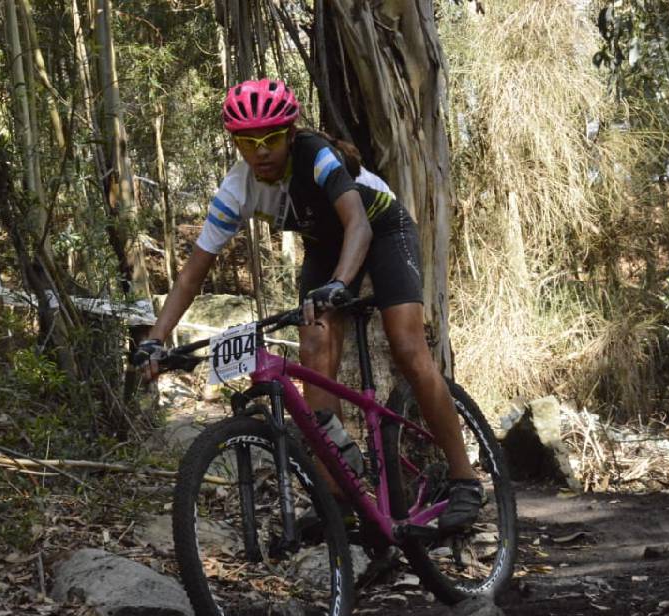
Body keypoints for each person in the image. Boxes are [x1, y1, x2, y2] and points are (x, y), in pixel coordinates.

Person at [134, 78, 483, 534]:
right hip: (324, 245)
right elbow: (192, 273)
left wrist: (341, 284)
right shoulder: (236, 189)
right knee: (315, 352)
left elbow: (357, 223)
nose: (261, 151)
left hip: (381, 230)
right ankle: (338, 498)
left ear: (290, 133)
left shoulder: (316, 155)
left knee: (407, 346)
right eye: (247, 142)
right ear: (236, 143)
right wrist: (156, 339)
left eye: (271, 138)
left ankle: (464, 479)